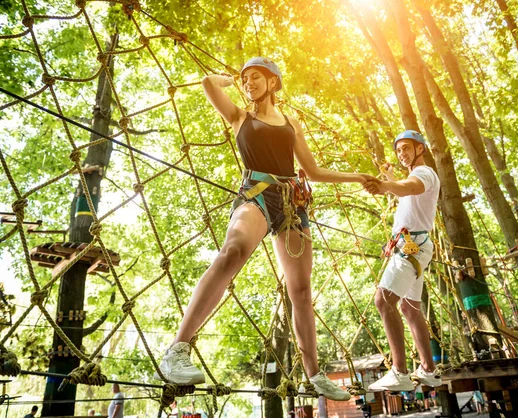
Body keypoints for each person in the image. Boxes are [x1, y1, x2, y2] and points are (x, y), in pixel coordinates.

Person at [155, 57, 373, 401]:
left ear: (273, 82)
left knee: (301, 291)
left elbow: (313, 171)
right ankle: (177, 350)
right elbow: (208, 84)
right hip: (255, 195)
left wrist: (357, 177)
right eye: (245, 80)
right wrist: (231, 78)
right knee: (234, 250)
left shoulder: (291, 122)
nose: (248, 83)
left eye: (255, 77)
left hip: (292, 204)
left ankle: (315, 375)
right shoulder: (240, 116)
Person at [363, 130, 442, 391]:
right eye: (398, 150)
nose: (402, 154)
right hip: (412, 246)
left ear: (421, 149)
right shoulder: (412, 177)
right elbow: (404, 192)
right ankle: (429, 370)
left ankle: (399, 372)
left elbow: (410, 187)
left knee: (383, 300)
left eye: (407, 148)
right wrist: (389, 178)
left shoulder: (424, 174)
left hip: (412, 247)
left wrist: (385, 184)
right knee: (410, 308)